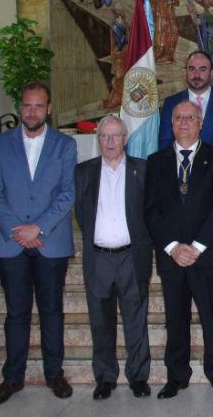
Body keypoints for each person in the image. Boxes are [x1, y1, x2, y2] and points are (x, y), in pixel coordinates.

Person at [0, 82, 76, 406]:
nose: (32, 112)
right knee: (16, 313)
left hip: (51, 241)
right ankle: (12, 378)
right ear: (20, 108)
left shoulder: (65, 145)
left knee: (52, 311)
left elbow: (67, 193)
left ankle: (54, 373)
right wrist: (16, 229)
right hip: (11, 244)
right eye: (27, 106)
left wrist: (39, 227)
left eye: (38, 106)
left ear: (49, 109)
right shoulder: (0, 144)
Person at [144, 100, 213, 399]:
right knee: (176, 319)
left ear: (200, 123)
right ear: (171, 124)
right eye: (178, 118)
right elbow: (151, 210)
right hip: (172, 257)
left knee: (212, 319)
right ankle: (176, 376)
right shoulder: (155, 162)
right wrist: (172, 248)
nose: (184, 122)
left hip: (206, 255)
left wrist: (195, 247)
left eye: (190, 117)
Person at [157, 50, 213, 325]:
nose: (197, 73)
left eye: (202, 68)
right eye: (192, 68)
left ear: (211, 72)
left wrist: (208, 176)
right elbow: (163, 146)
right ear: (186, 72)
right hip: (179, 187)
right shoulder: (171, 103)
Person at [74, 115, 152, 400]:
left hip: (131, 257)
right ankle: (105, 378)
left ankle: (139, 377)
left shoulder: (142, 170)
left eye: (115, 136)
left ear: (125, 138)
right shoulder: (83, 172)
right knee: (100, 321)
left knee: (136, 320)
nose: (109, 142)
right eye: (104, 136)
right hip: (99, 259)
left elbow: (148, 214)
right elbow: (81, 212)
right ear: (98, 139)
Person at [147, 0, 180, 64]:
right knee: (160, 34)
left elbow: (177, 2)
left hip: (169, 14)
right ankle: (159, 55)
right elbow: (148, 2)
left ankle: (169, 55)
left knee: (174, 32)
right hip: (159, 15)